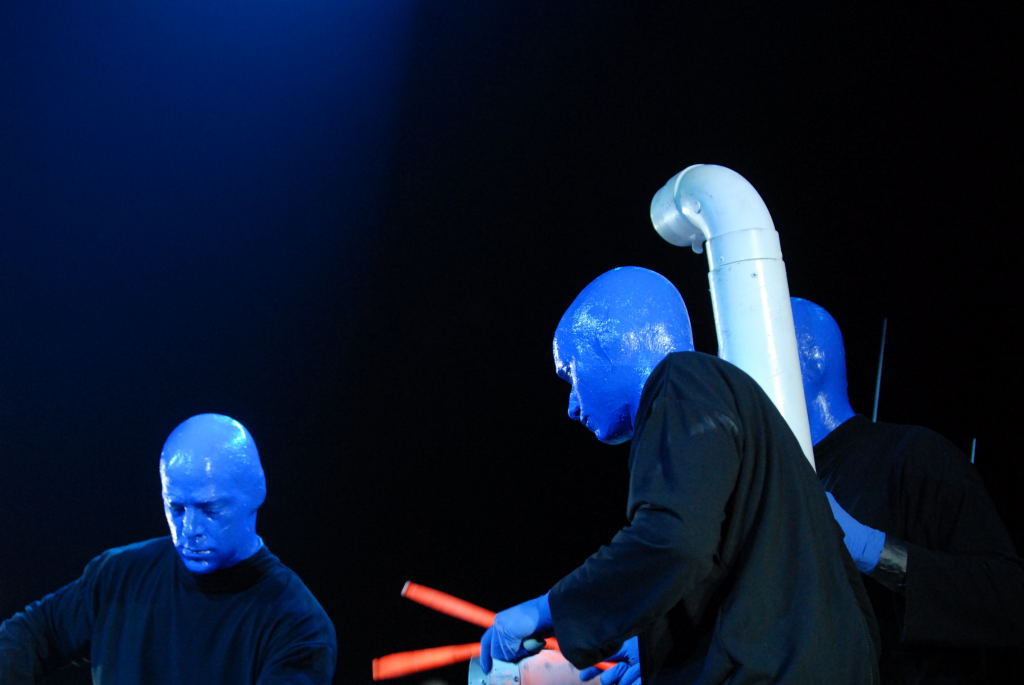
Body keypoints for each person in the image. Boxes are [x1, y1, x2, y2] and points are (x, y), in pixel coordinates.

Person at [480, 267, 880, 685]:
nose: (572, 405)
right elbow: (740, 573)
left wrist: (546, 611)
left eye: (570, 373)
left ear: (614, 341)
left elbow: (673, 540)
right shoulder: (727, 406)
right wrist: (657, 643)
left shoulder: (683, 380)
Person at [0, 413, 337, 684]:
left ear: (256, 492)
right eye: (176, 508)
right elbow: (28, 635)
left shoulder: (297, 627)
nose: (189, 530)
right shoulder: (117, 574)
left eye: (210, 509)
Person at [792, 296, 1024, 683]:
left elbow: (1008, 599)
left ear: (813, 359)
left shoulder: (914, 454)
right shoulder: (777, 477)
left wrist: (870, 549)